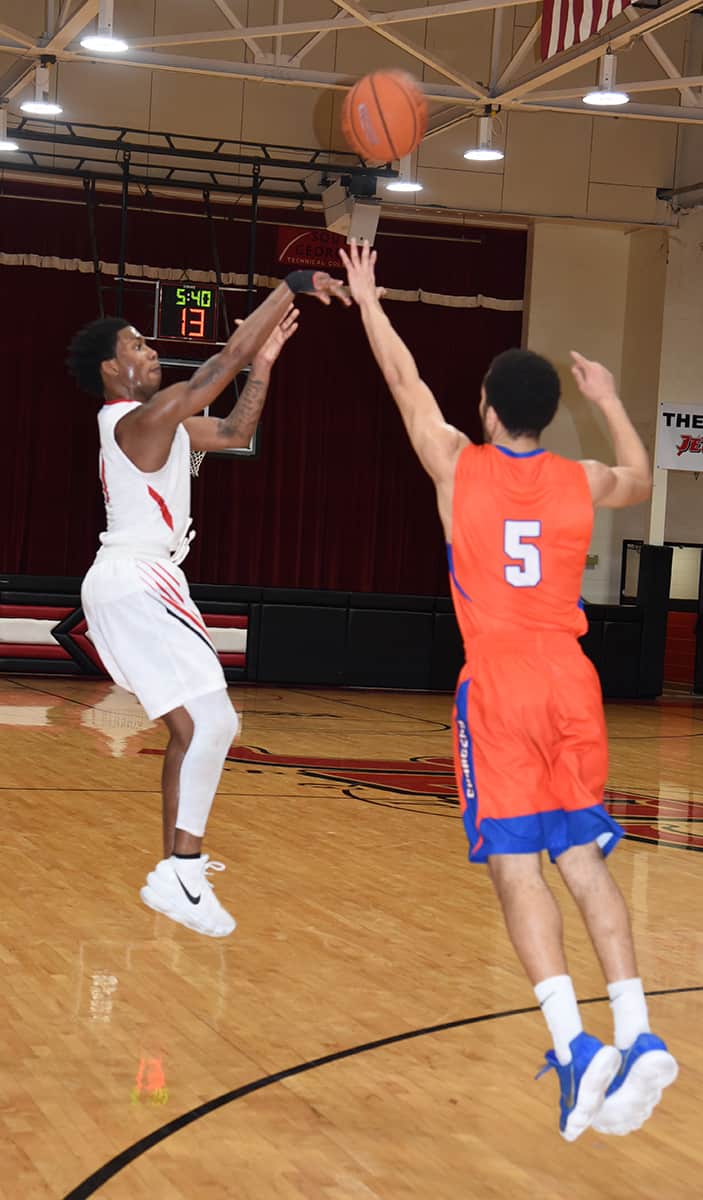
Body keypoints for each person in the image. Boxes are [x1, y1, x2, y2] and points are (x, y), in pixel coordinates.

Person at [339, 239, 677, 1141]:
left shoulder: (458, 465)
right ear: (553, 413)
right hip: (574, 683)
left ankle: (573, 1047)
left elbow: (403, 380)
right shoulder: (578, 481)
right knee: (582, 856)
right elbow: (643, 480)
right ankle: (638, 1034)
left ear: (486, 411)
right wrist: (609, 401)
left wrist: (370, 301)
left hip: (499, 684)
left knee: (517, 866)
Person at [67, 269, 350, 938]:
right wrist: (293, 285)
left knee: (195, 730)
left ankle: (176, 868)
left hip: (141, 581)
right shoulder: (135, 421)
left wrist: (267, 365)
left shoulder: (162, 425)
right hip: (136, 580)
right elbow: (217, 366)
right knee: (215, 723)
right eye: (137, 345)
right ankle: (182, 872)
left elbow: (231, 429)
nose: (150, 351)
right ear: (112, 369)